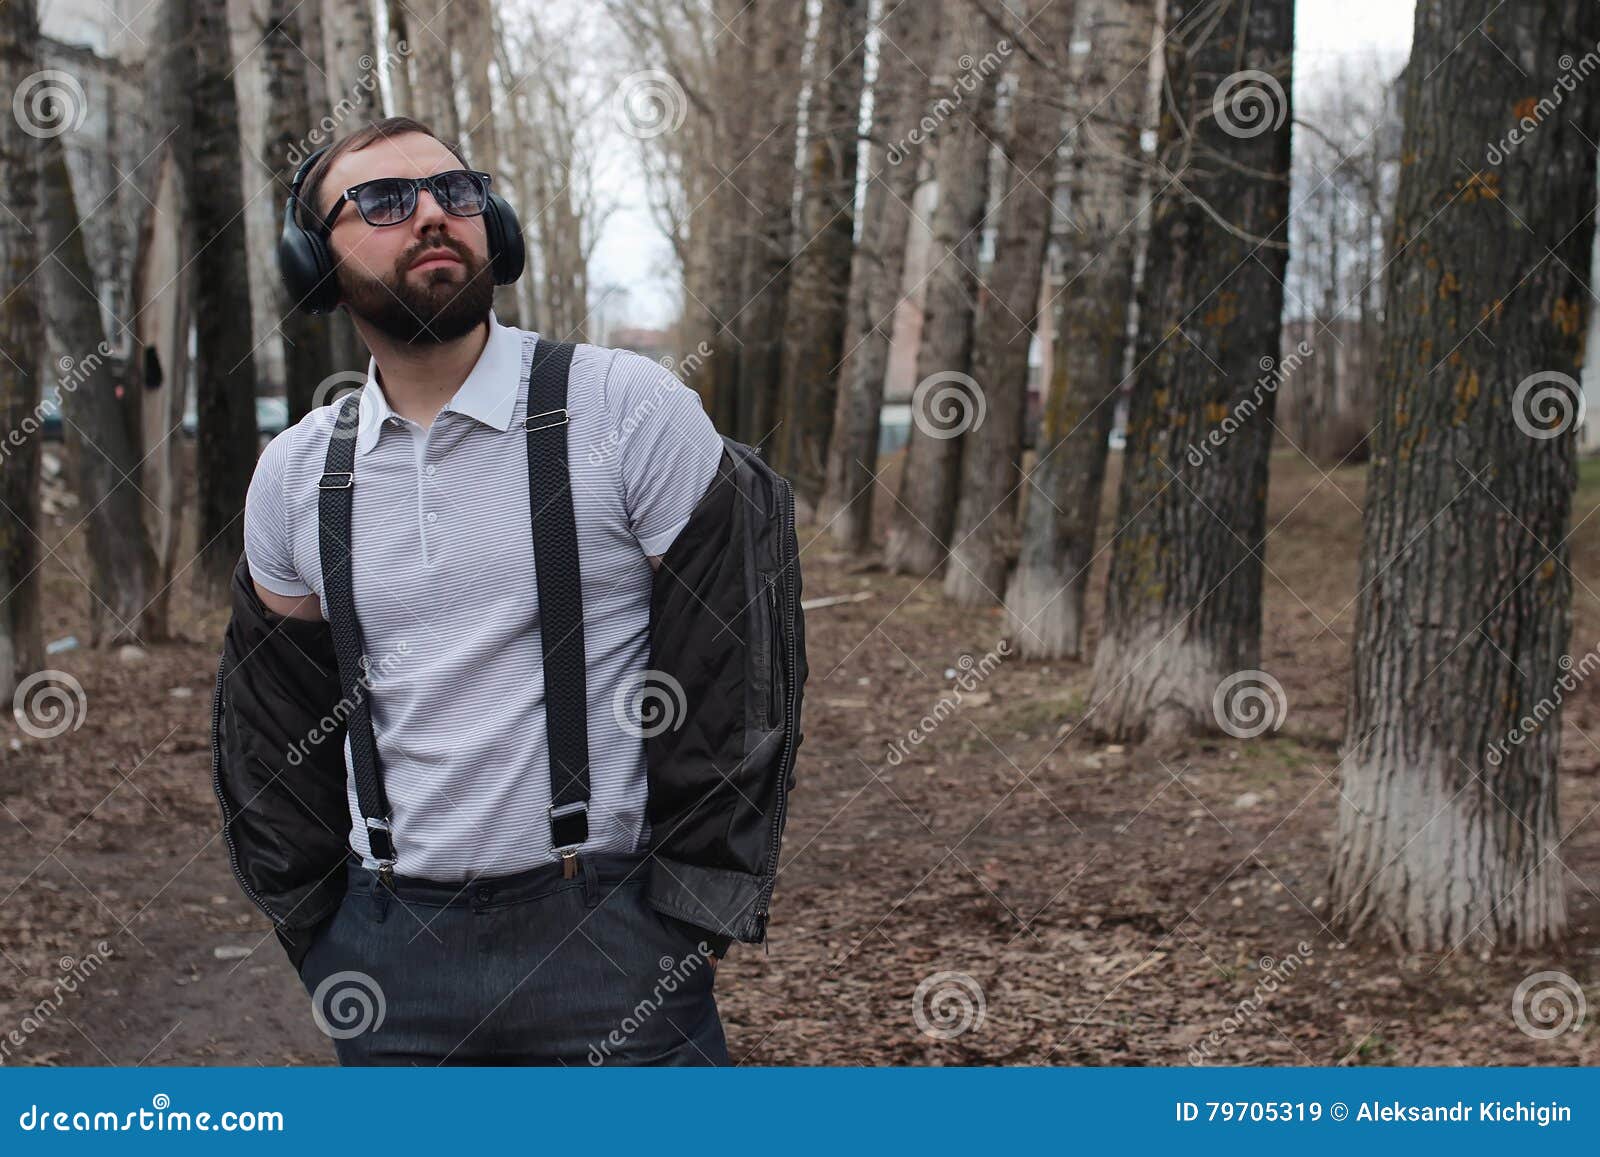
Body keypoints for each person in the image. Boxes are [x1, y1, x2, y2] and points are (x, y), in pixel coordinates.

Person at [243, 116, 731, 1065]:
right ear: (314, 263)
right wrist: (321, 933)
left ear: (492, 224)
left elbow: (728, 666)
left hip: (614, 940)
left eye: (456, 191)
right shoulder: (295, 475)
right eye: (384, 201)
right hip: (391, 958)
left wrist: (688, 913)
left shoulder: (629, 410)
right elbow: (275, 717)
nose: (431, 214)